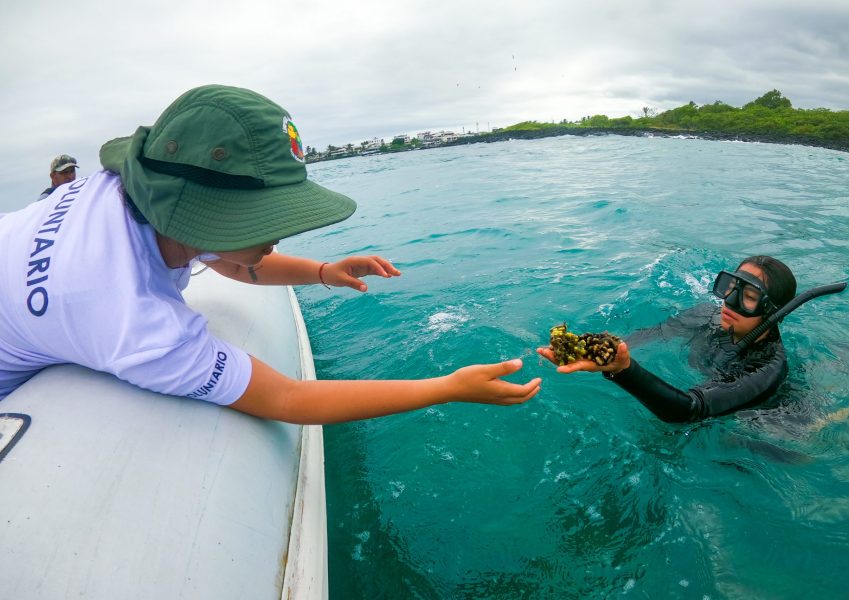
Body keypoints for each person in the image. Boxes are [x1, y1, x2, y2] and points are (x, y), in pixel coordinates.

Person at [0, 84, 541, 423]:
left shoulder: (130, 195)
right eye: (265, 216)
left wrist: (323, 271)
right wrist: (444, 388)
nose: (280, 230)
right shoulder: (136, 321)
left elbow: (225, 257)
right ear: (204, 216)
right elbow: (286, 399)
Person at [538, 256, 797, 422]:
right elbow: (655, 333)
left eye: (749, 297)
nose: (730, 301)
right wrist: (601, 350)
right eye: (731, 287)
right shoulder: (707, 315)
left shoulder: (766, 367)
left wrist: (624, 370)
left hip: (769, 420)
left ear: (773, 312)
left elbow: (689, 410)